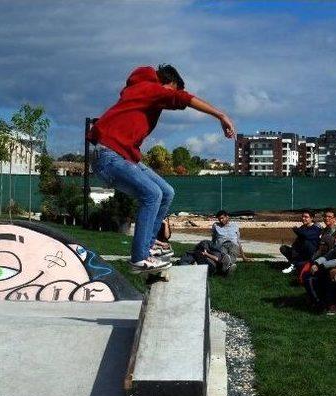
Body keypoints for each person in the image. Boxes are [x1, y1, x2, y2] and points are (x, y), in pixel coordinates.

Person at [89, 65, 235, 273]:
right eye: (172, 91)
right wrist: (221, 115)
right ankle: (139, 259)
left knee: (166, 192)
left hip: (123, 155)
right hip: (109, 156)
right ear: (167, 84)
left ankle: (148, 244)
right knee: (152, 194)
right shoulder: (151, 88)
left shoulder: (142, 90)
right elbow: (184, 98)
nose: (169, 101)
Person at [304, 224, 336, 314]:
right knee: (309, 276)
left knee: (330, 276)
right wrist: (316, 263)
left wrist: (321, 266)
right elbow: (329, 255)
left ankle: (330, 305)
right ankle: (318, 302)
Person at [179, 210, 249, 275]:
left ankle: (225, 267)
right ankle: (226, 268)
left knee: (232, 255)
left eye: (222, 218)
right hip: (222, 245)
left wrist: (244, 257)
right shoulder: (216, 225)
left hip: (233, 244)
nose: (221, 220)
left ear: (227, 217)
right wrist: (212, 249)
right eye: (219, 219)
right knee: (223, 256)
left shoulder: (235, 226)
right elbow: (214, 239)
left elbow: (238, 241)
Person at [280, 209, 321, 274]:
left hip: (310, 253)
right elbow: (300, 237)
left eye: (306, 217)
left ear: (312, 218)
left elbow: (305, 235)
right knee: (283, 248)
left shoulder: (316, 228)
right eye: (303, 216)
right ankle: (294, 263)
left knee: (305, 242)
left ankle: (296, 264)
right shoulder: (303, 227)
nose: (303, 218)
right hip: (300, 251)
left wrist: (296, 230)